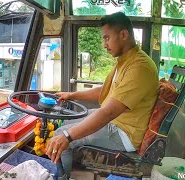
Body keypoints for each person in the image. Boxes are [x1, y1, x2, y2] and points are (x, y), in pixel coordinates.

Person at [45, 12, 159, 177]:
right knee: (66, 121)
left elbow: (109, 112)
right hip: (115, 122)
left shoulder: (140, 67)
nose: (104, 44)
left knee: (60, 135)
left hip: (124, 133)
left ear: (124, 34)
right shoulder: (124, 62)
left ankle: (63, 176)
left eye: (107, 38)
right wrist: (72, 95)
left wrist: (68, 136)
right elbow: (105, 92)